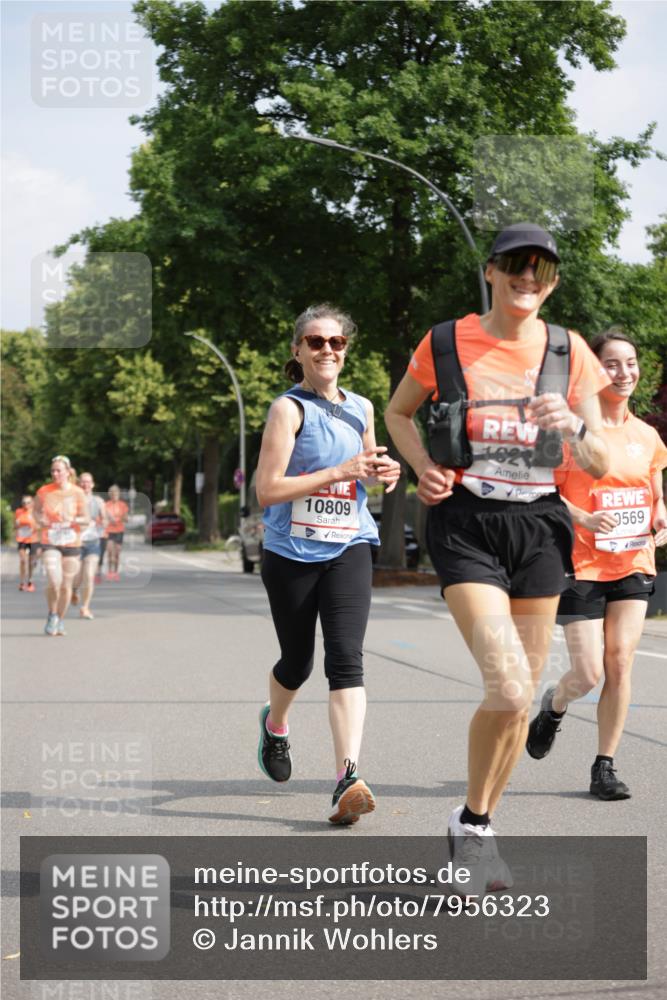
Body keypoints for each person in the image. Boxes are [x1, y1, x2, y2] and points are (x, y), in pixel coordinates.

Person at [385, 222, 610, 895]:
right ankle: (474, 831)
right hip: (465, 523)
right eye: (515, 265)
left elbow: (598, 459)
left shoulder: (570, 354)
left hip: (540, 525)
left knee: (514, 706)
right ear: (489, 271)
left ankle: (474, 824)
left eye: (540, 269)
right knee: (511, 688)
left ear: (552, 282)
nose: (527, 279)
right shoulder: (446, 340)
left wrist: (569, 425)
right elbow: (400, 413)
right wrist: (423, 465)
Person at [255, 303, 401, 825]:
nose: (327, 350)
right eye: (315, 341)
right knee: (297, 663)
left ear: (346, 350)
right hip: (291, 552)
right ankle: (275, 724)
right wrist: (341, 468)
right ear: (297, 350)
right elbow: (267, 490)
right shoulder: (287, 410)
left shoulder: (361, 407)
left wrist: (384, 472)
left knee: (347, 659)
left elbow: (365, 475)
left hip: (350, 544)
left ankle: (347, 778)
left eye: (336, 342)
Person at [527, 330, 667, 798]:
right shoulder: (565, 432)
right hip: (580, 564)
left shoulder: (646, 435)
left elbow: (653, 487)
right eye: (611, 363)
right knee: (587, 673)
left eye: (630, 363)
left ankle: (604, 766)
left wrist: (660, 513)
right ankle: (555, 704)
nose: (623, 372)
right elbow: (540, 492)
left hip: (633, 561)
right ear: (592, 370)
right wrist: (584, 516)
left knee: (620, 663)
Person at [34, 455, 89, 636]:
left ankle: (60, 619)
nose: (55, 473)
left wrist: (73, 519)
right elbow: (35, 511)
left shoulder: (77, 492)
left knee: (66, 586)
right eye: (53, 471)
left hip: (72, 542)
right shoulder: (44, 491)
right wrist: (39, 519)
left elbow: (86, 519)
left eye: (59, 470)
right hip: (50, 541)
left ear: (67, 472)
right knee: (54, 580)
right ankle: (52, 614)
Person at [71, 472, 107, 619]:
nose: (85, 484)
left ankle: (85, 607)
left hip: (93, 542)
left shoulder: (98, 501)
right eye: (82, 482)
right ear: (79, 484)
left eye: (88, 482)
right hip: (77, 542)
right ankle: (73, 590)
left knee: (89, 575)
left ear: (92, 484)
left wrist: (100, 527)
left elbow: (104, 519)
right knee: (77, 576)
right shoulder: (74, 501)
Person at [104, 485, 128, 581]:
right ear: (110, 495)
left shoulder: (123, 505)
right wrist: (108, 519)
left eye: (116, 494)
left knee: (117, 553)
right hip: (109, 531)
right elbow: (103, 517)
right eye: (112, 494)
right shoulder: (106, 505)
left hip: (119, 531)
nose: (114, 496)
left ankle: (116, 572)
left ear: (118, 494)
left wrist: (120, 519)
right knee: (110, 552)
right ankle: (110, 572)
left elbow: (126, 518)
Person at [14, 495, 38, 592]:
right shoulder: (18, 512)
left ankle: (30, 581)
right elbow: (15, 526)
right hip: (22, 539)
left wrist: (33, 526)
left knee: (31, 562)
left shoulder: (35, 513)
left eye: (28, 502)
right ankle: (22, 582)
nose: (26, 504)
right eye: (24, 502)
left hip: (33, 539)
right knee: (23, 561)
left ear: (32, 503)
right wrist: (17, 524)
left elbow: (40, 526)